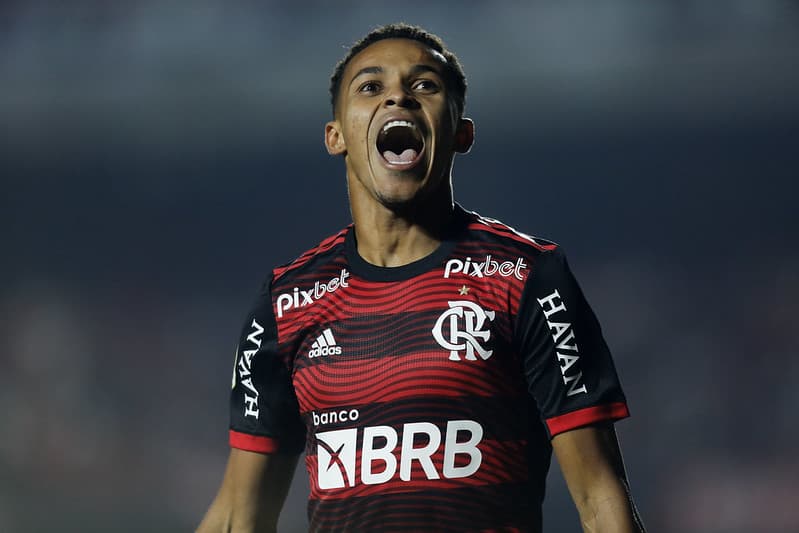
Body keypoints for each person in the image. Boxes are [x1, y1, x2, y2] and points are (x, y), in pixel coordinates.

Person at [198, 23, 645, 533]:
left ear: (462, 132)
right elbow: (239, 514)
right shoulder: (286, 300)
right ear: (336, 134)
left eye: (424, 86)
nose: (398, 99)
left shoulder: (526, 277)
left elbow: (599, 497)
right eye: (371, 87)